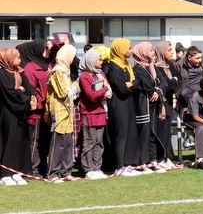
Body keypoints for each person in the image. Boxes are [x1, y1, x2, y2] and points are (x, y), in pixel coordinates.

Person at [16, 39, 56, 178]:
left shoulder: (49, 64)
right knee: (34, 141)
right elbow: (31, 89)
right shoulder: (30, 67)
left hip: (48, 109)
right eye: (46, 48)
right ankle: (32, 169)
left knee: (45, 141)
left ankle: (43, 167)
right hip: (37, 112)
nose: (48, 51)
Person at [105, 38, 142, 177]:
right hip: (118, 104)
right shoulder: (113, 67)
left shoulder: (126, 64)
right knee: (120, 134)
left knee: (129, 133)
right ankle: (119, 165)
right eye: (129, 48)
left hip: (128, 103)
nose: (131, 51)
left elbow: (137, 83)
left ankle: (127, 163)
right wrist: (131, 85)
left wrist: (131, 84)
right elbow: (122, 89)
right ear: (120, 49)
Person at [0, 48, 35, 186]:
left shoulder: (19, 72)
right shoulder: (2, 74)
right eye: (17, 58)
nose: (20, 60)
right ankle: (5, 174)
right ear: (8, 59)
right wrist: (23, 95)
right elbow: (10, 94)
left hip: (21, 113)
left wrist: (30, 97)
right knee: (9, 142)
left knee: (21, 142)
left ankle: (17, 171)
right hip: (8, 113)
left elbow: (29, 88)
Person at [44, 44, 79, 182]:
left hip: (67, 111)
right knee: (58, 143)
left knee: (67, 142)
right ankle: (52, 174)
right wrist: (75, 87)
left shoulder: (66, 71)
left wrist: (74, 88)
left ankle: (66, 171)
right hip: (58, 111)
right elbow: (64, 92)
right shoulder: (58, 71)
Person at [131, 42, 166, 173]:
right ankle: (143, 162)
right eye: (151, 50)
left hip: (153, 106)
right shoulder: (138, 69)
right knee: (144, 134)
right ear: (143, 53)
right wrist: (155, 85)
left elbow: (163, 82)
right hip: (143, 107)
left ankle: (153, 160)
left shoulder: (151, 67)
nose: (153, 53)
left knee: (152, 133)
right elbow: (149, 84)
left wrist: (157, 90)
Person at [78, 49, 111, 179]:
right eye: (99, 59)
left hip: (100, 112)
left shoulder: (100, 74)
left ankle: (97, 167)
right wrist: (104, 88)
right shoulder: (84, 76)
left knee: (99, 142)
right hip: (89, 113)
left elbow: (107, 95)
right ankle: (88, 169)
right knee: (89, 141)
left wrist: (103, 91)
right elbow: (91, 96)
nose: (101, 62)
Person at [153, 41, 178, 169]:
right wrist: (172, 81)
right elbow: (168, 84)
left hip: (168, 102)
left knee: (168, 130)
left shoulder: (170, 66)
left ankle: (168, 156)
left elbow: (175, 84)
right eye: (168, 50)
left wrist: (172, 81)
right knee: (161, 130)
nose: (171, 53)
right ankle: (160, 157)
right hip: (159, 105)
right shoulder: (156, 67)